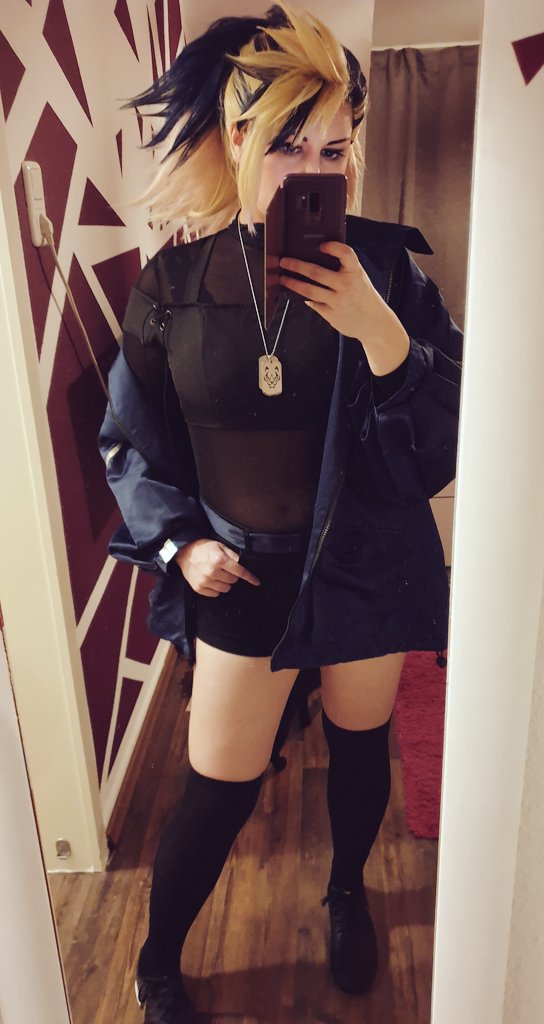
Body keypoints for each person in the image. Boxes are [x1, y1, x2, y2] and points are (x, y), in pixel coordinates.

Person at [99, 3, 462, 1021]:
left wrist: (384, 337)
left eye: (334, 149)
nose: (314, 170)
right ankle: (157, 958)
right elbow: (129, 437)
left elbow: (443, 441)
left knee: (360, 744)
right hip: (240, 573)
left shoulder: (385, 273)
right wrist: (179, 541)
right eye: (287, 145)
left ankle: (346, 891)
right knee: (217, 784)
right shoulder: (173, 286)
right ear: (234, 142)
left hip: (365, 558)